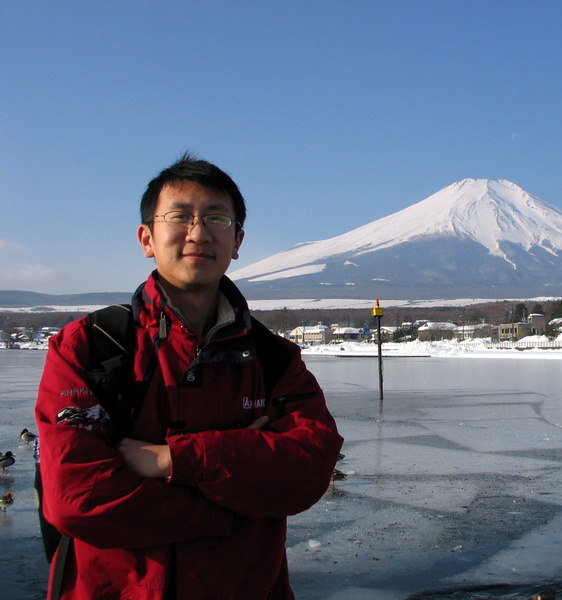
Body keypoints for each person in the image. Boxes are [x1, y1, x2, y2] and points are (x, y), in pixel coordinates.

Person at [35, 153, 343, 599]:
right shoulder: (90, 348)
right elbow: (78, 498)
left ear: (237, 241)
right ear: (147, 238)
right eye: (180, 215)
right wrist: (225, 505)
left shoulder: (273, 358)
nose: (198, 232)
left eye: (217, 217)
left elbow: (309, 469)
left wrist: (170, 460)